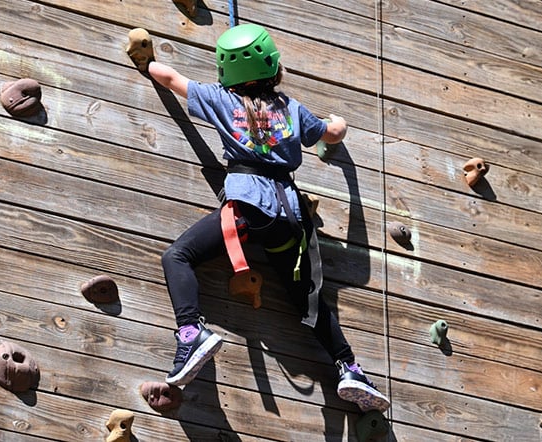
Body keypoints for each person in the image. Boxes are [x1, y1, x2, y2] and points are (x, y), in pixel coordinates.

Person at [126, 24, 390, 412]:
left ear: (225, 73)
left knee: (177, 256)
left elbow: (171, 79)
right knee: (307, 301)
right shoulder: (292, 110)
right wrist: (340, 123)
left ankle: (190, 333)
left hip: (248, 208)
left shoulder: (221, 99)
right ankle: (349, 368)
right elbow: (331, 134)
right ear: (273, 67)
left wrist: (147, 64)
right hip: (289, 218)